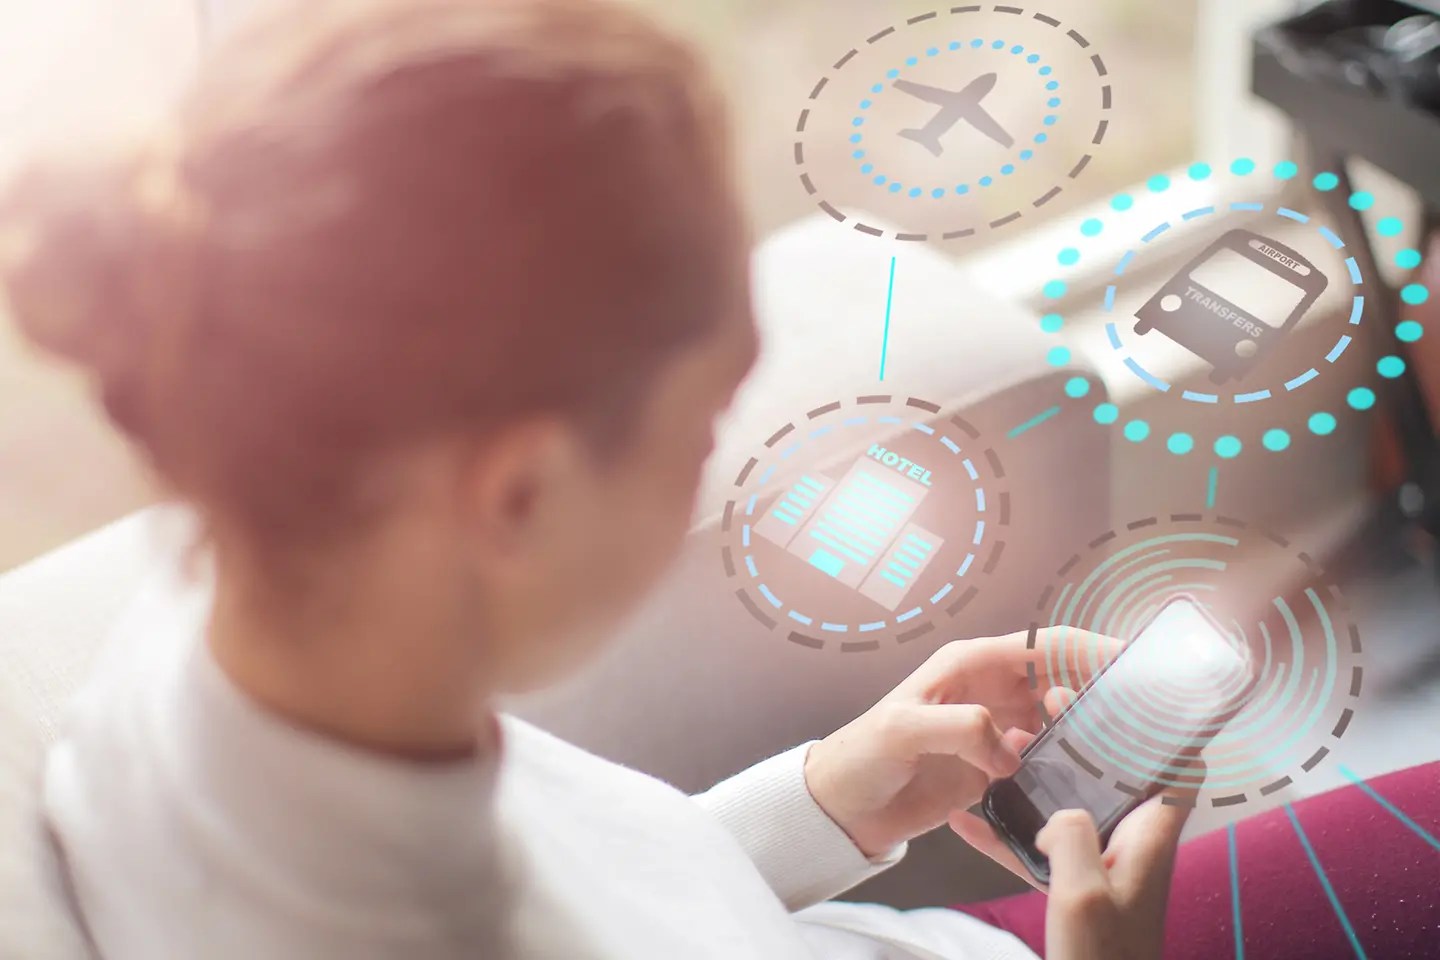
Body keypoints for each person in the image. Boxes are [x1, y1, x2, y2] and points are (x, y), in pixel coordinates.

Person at [6, 0, 1425, 958]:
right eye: (702, 421)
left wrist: (832, 796)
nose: (730, 453)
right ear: (516, 494)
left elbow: (599, 899)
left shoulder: (241, 633)